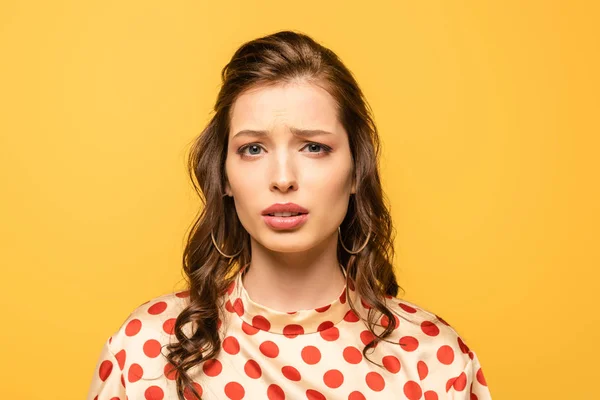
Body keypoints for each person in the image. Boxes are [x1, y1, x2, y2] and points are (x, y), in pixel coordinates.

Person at [86, 30, 492, 400]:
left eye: (313, 147)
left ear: (356, 171)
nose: (282, 179)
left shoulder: (434, 359)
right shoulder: (145, 349)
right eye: (253, 149)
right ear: (224, 176)